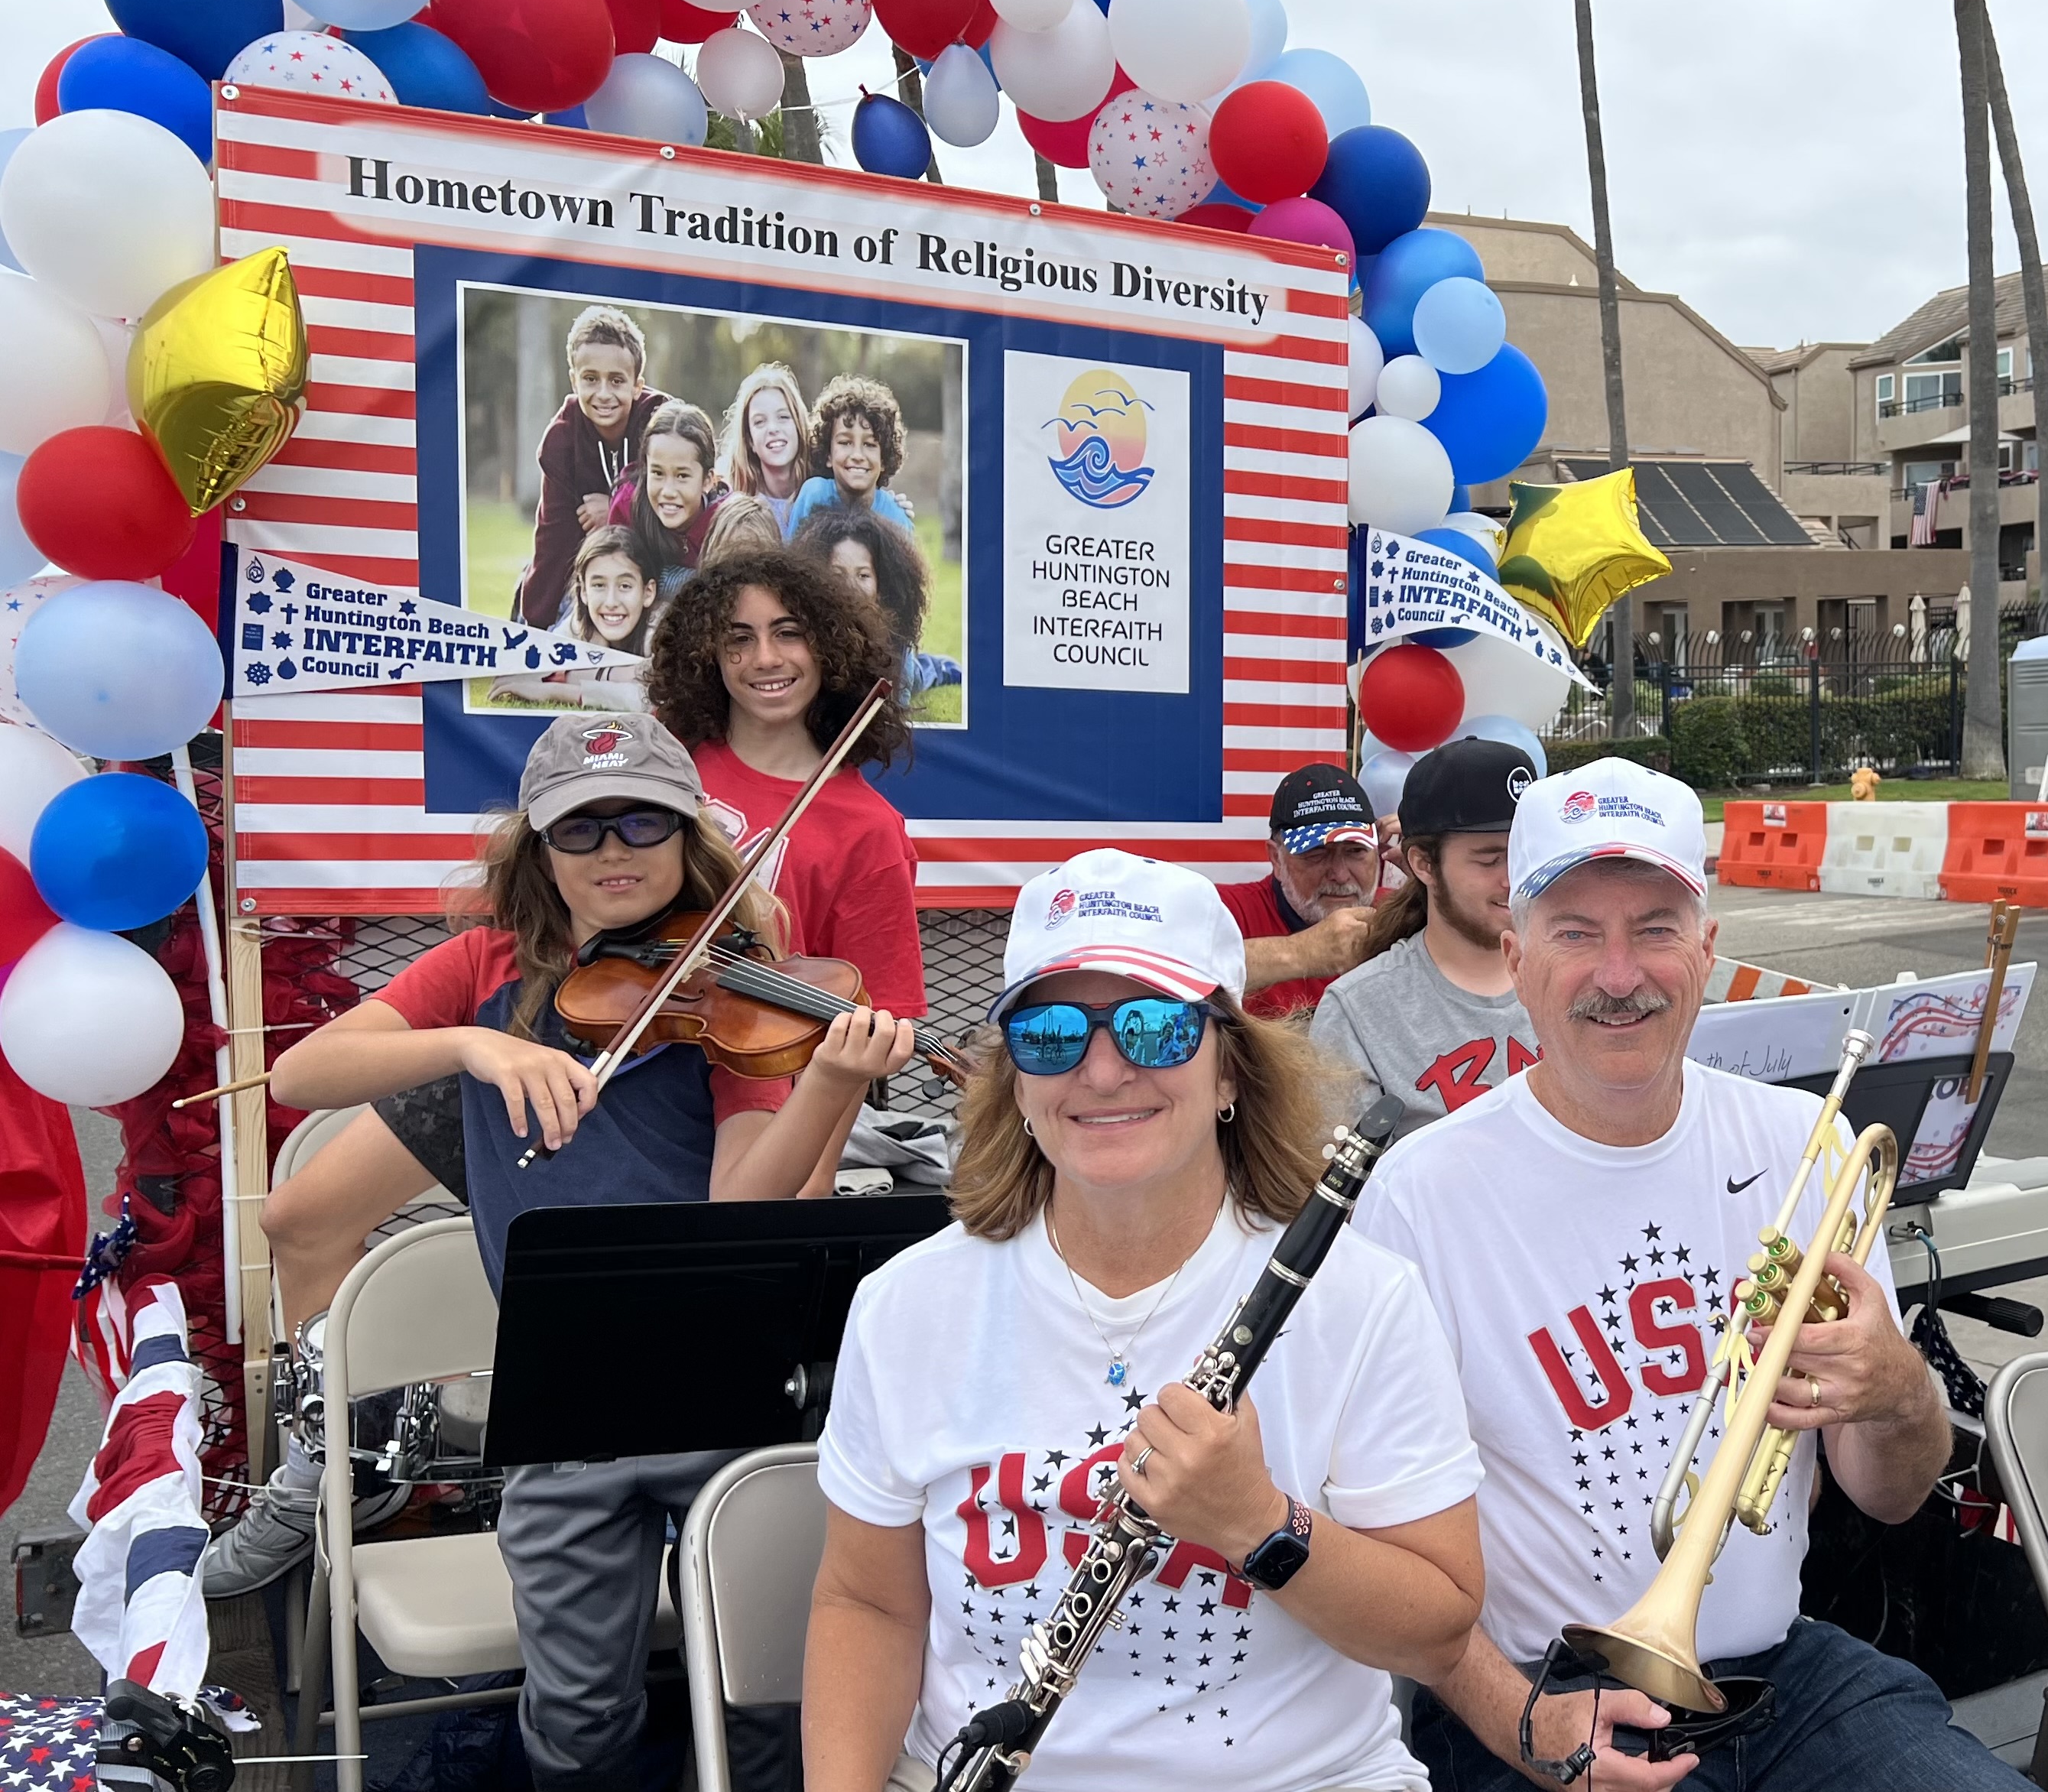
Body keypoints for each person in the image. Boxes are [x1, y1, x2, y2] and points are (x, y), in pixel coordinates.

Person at [245, 714, 917, 1790]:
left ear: (689, 837)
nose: (614, 853)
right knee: (577, 1711)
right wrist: (475, 1040)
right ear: (539, 850)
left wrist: (831, 1083)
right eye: (580, 830)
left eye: (642, 821)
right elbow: (302, 1077)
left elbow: (740, 1203)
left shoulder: (733, 989)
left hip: (727, 1394)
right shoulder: (484, 967)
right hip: (565, 1408)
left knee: (760, 1695)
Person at [1354, 758, 2035, 1792]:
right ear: (1514, 955)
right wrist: (1521, 1723)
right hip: (1545, 1691)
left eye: (1655, 927)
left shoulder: (1804, 1139)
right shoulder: (1415, 1196)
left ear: (1707, 950)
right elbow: (1385, 1561)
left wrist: (1898, 1392)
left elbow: (1888, 1497)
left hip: (1784, 1674)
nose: (1618, 971)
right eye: (1575, 931)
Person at [803, 847, 1485, 1792]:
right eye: (1051, 1035)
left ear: (1230, 1069)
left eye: (1157, 1027)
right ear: (1018, 1082)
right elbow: (866, 1605)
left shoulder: (1363, 1297)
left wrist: (1256, 1523)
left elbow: (1437, 1626)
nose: (1105, 1069)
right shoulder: (909, 1304)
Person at [641, 547, 929, 1037]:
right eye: (739, 638)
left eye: (789, 633)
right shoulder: (663, 761)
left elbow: (872, 1023)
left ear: (830, 648)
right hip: (627, 1033)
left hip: (765, 1075)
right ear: (705, 653)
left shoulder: (870, 830)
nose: (766, 659)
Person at [1310, 739, 1540, 1128]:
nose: (1514, 879)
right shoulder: (1358, 1012)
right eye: (1490, 859)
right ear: (1423, 864)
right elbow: (1345, 1182)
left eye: (1526, 853)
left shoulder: (1581, 976)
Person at [515, 305, 662, 625]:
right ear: (574, 381)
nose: (604, 394)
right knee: (567, 619)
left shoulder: (661, 423)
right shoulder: (561, 441)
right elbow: (553, 541)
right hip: (594, 575)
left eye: (617, 381)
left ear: (637, 385)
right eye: (591, 379)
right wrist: (535, 626)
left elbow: (680, 510)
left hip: (658, 568)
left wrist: (616, 510)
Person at [1217, 764, 1381, 1021]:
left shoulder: (1401, 908)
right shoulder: (1227, 913)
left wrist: (1431, 870)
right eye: (1316, 854)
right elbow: (1170, 969)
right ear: (1276, 858)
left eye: (1355, 852)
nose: (1340, 874)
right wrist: (1302, 952)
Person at [793, 502, 963, 701]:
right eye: (838, 575)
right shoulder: (810, 622)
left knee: (916, 675)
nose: (850, 587)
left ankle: (940, 667)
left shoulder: (890, 631)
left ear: (880, 586)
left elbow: (896, 704)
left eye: (863, 575)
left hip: (896, 670)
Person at [488, 524, 657, 712]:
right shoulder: (580, 624)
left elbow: (651, 699)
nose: (611, 602)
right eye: (599, 585)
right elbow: (517, 673)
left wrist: (558, 689)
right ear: (584, 591)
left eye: (625, 586)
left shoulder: (659, 632)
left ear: (648, 592)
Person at [614, 400, 731, 597]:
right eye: (658, 473)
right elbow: (614, 580)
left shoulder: (727, 520)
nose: (668, 491)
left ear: (708, 480)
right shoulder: (628, 506)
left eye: (682, 476)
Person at [788, 374, 915, 539]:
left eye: (870, 444)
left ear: (884, 459)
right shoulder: (813, 495)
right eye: (845, 442)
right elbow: (790, 561)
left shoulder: (896, 518)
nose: (857, 455)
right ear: (828, 454)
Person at [722, 362, 813, 532]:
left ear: (799, 426)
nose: (773, 429)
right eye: (759, 422)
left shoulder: (823, 494)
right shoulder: (734, 507)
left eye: (783, 417)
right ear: (749, 440)